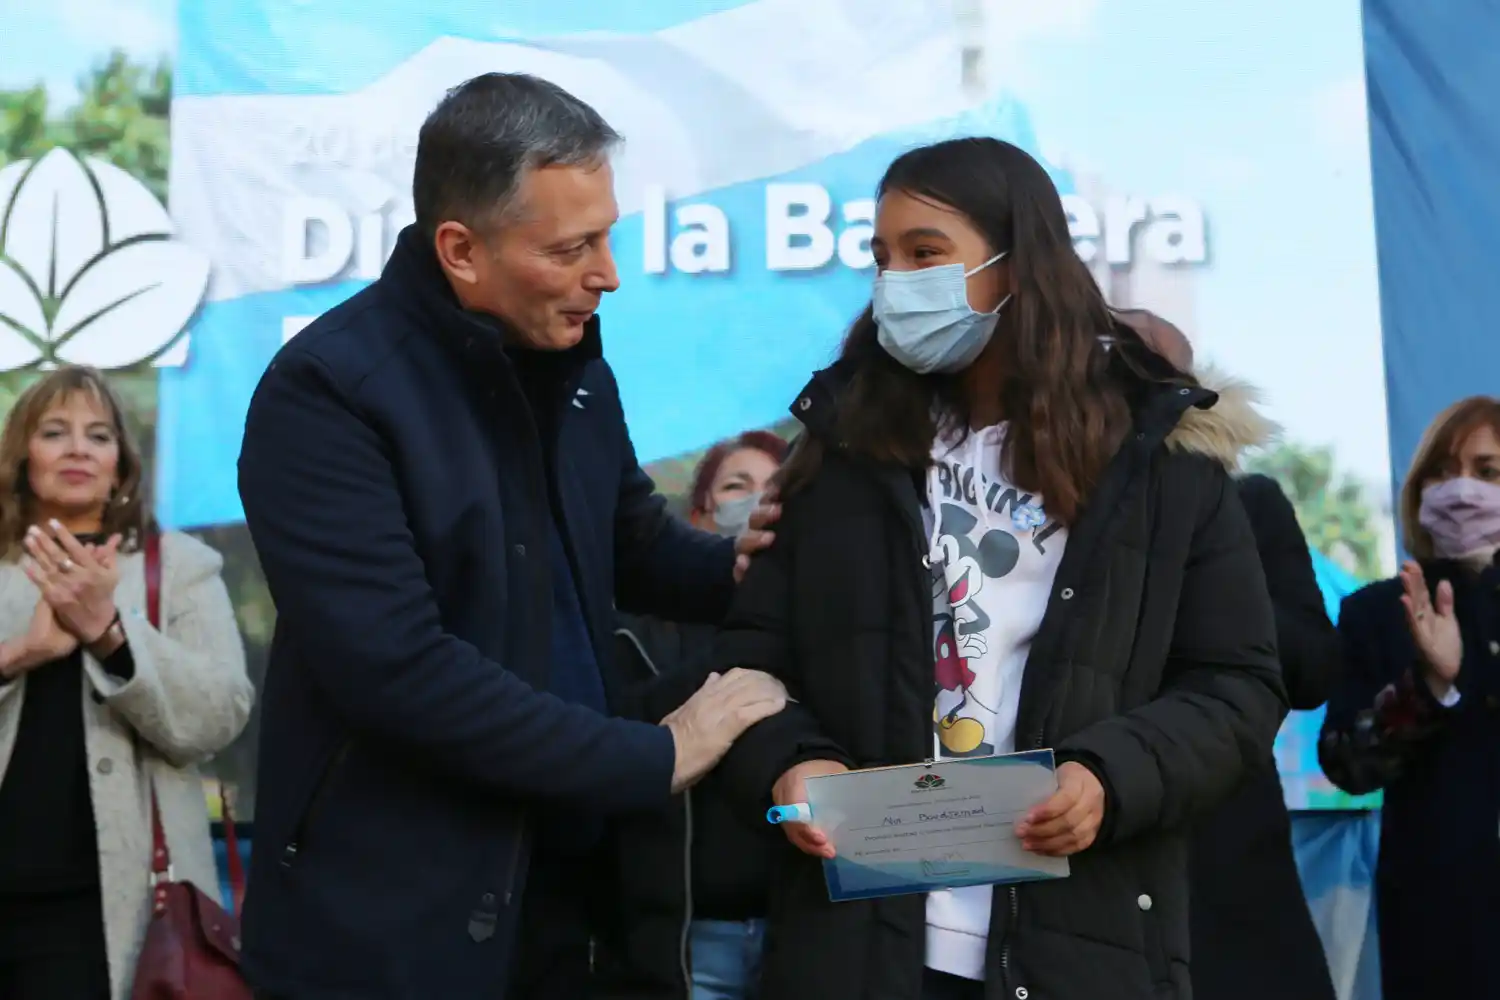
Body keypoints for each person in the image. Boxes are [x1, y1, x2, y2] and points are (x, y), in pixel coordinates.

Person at [236, 73, 785, 1000]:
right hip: (396, 929)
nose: (606, 273)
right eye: (573, 247)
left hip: (581, 908)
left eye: (607, 237)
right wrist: (657, 754)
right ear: (461, 249)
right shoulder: (330, 393)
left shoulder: (573, 370)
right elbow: (398, 671)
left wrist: (753, 565)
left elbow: (632, 547)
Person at [709, 137, 1289, 1000]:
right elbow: (753, 660)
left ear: (1020, 263)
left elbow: (1238, 687)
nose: (895, 281)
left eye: (925, 254)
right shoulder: (841, 449)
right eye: (882, 257)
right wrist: (794, 763)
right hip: (859, 945)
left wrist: (1107, 776)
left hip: (1076, 947)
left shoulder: (1161, 464)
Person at [0, 365, 253, 1000]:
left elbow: (220, 716)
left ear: (122, 465)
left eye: (99, 435)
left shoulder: (182, 567)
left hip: (114, 906)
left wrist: (110, 631)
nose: (79, 448)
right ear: (22, 457)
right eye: (55, 432)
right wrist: (22, 652)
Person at [1120, 311, 1337, 1000]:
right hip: (1090, 847)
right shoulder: (1036, 515)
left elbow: (1311, 669)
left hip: (1228, 853)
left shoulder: (1248, 505)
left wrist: (1200, 566)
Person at [1319, 395, 1500, 1000]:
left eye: (1487, 472)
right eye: (1443, 472)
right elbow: (1347, 763)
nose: (1462, 490)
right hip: (1439, 926)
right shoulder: (1377, 611)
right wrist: (1431, 685)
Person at [603, 430, 789, 1000]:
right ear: (699, 508)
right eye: (738, 486)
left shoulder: (809, 623)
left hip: (795, 931)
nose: (756, 501)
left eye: (773, 490)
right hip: (690, 939)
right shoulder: (636, 627)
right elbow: (617, 728)